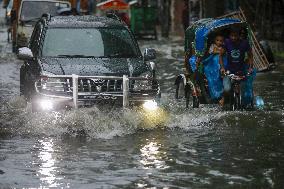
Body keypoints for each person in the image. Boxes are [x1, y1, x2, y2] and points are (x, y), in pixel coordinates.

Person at [223, 28, 254, 107]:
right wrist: (222, 68)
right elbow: (220, 55)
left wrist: (250, 67)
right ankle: (226, 102)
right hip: (229, 70)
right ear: (229, 36)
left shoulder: (245, 43)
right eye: (232, 36)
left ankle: (244, 103)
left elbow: (250, 55)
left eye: (235, 36)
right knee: (227, 89)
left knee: (244, 90)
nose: (233, 38)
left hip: (241, 70)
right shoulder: (226, 42)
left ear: (239, 36)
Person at [202, 34, 227, 104]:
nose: (219, 42)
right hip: (213, 61)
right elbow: (212, 52)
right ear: (214, 40)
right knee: (211, 71)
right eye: (217, 40)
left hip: (222, 61)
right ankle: (217, 94)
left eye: (221, 41)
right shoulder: (213, 46)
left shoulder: (224, 46)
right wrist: (218, 51)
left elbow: (223, 52)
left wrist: (220, 52)